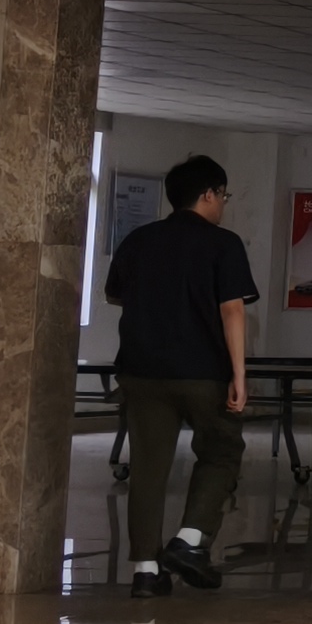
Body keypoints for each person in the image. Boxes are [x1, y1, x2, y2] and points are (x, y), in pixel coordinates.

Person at [102, 154, 254, 599]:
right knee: (222, 449)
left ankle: (146, 572)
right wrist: (239, 374)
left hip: (141, 369)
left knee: (148, 469)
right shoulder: (223, 244)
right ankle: (189, 541)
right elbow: (232, 310)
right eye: (223, 195)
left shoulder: (139, 240)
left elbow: (116, 296)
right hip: (202, 371)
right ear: (208, 194)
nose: (223, 204)